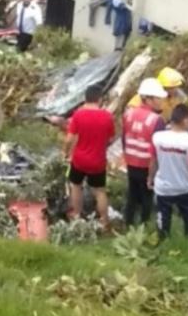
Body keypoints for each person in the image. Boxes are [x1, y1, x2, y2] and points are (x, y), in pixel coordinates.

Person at [148, 104, 188, 240]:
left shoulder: (157, 138)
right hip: (184, 187)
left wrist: (150, 178)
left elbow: (153, 161)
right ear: (185, 120)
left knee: (163, 215)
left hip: (164, 187)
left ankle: (163, 240)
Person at [63, 84, 116, 228]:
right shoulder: (107, 117)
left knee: (76, 186)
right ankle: (104, 220)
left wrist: (66, 153)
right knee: (99, 191)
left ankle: (76, 216)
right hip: (98, 161)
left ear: (85, 98)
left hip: (79, 160)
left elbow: (69, 138)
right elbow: (110, 139)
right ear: (99, 99)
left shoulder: (78, 115)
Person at [121, 78, 168, 226]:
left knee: (132, 194)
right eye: (158, 98)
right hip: (147, 164)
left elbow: (124, 138)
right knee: (147, 196)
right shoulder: (157, 120)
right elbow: (159, 148)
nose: (161, 101)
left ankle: (127, 223)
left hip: (131, 161)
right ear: (148, 99)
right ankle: (144, 225)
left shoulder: (128, 113)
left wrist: (127, 156)